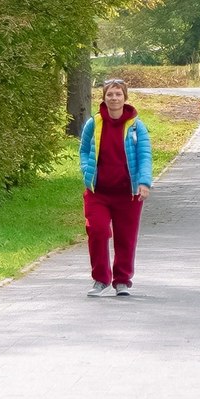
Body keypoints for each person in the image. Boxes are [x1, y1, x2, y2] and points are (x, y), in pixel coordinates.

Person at [78, 78, 152, 297]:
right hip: (98, 192)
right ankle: (100, 279)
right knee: (98, 231)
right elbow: (83, 150)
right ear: (104, 97)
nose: (114, 98)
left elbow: (145, 156)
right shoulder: (95, 122)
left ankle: (122, 280)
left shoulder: (136, 126)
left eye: (118, 94)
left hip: (127, 193)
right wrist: (86, 170)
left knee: (125, 237)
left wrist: (144, 182)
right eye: (110, 94)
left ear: (125, 97)